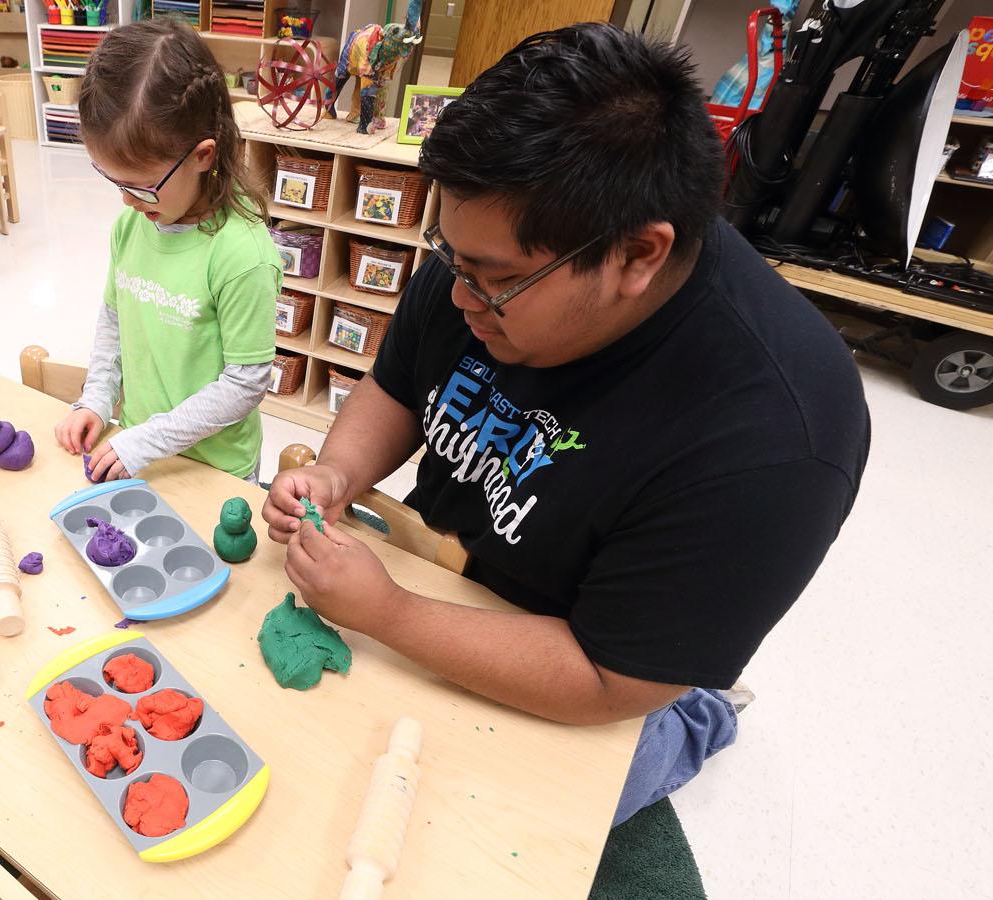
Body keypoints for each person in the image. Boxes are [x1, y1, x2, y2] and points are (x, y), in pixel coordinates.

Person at [262, 23, 870, 824]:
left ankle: (706, 710)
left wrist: (391, 616)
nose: (457, 298)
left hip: (593, 665)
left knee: (494, 819)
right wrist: (339, 475)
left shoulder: (778, 437)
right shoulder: (488, 249)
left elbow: (611, 679)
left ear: (637, 256)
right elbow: (397, 386)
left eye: (494, 282)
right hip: (444, 577)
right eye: (452, 258)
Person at [53, 19, 279, 484]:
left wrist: (146, 440)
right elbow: (114, 321)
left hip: (214, 469)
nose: (127, 201)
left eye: (142, 186)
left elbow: (246, 381)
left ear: (203, 156)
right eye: (112, 180)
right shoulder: (132, 225)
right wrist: (96, 397)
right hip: (141, 449)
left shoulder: (242, 254)